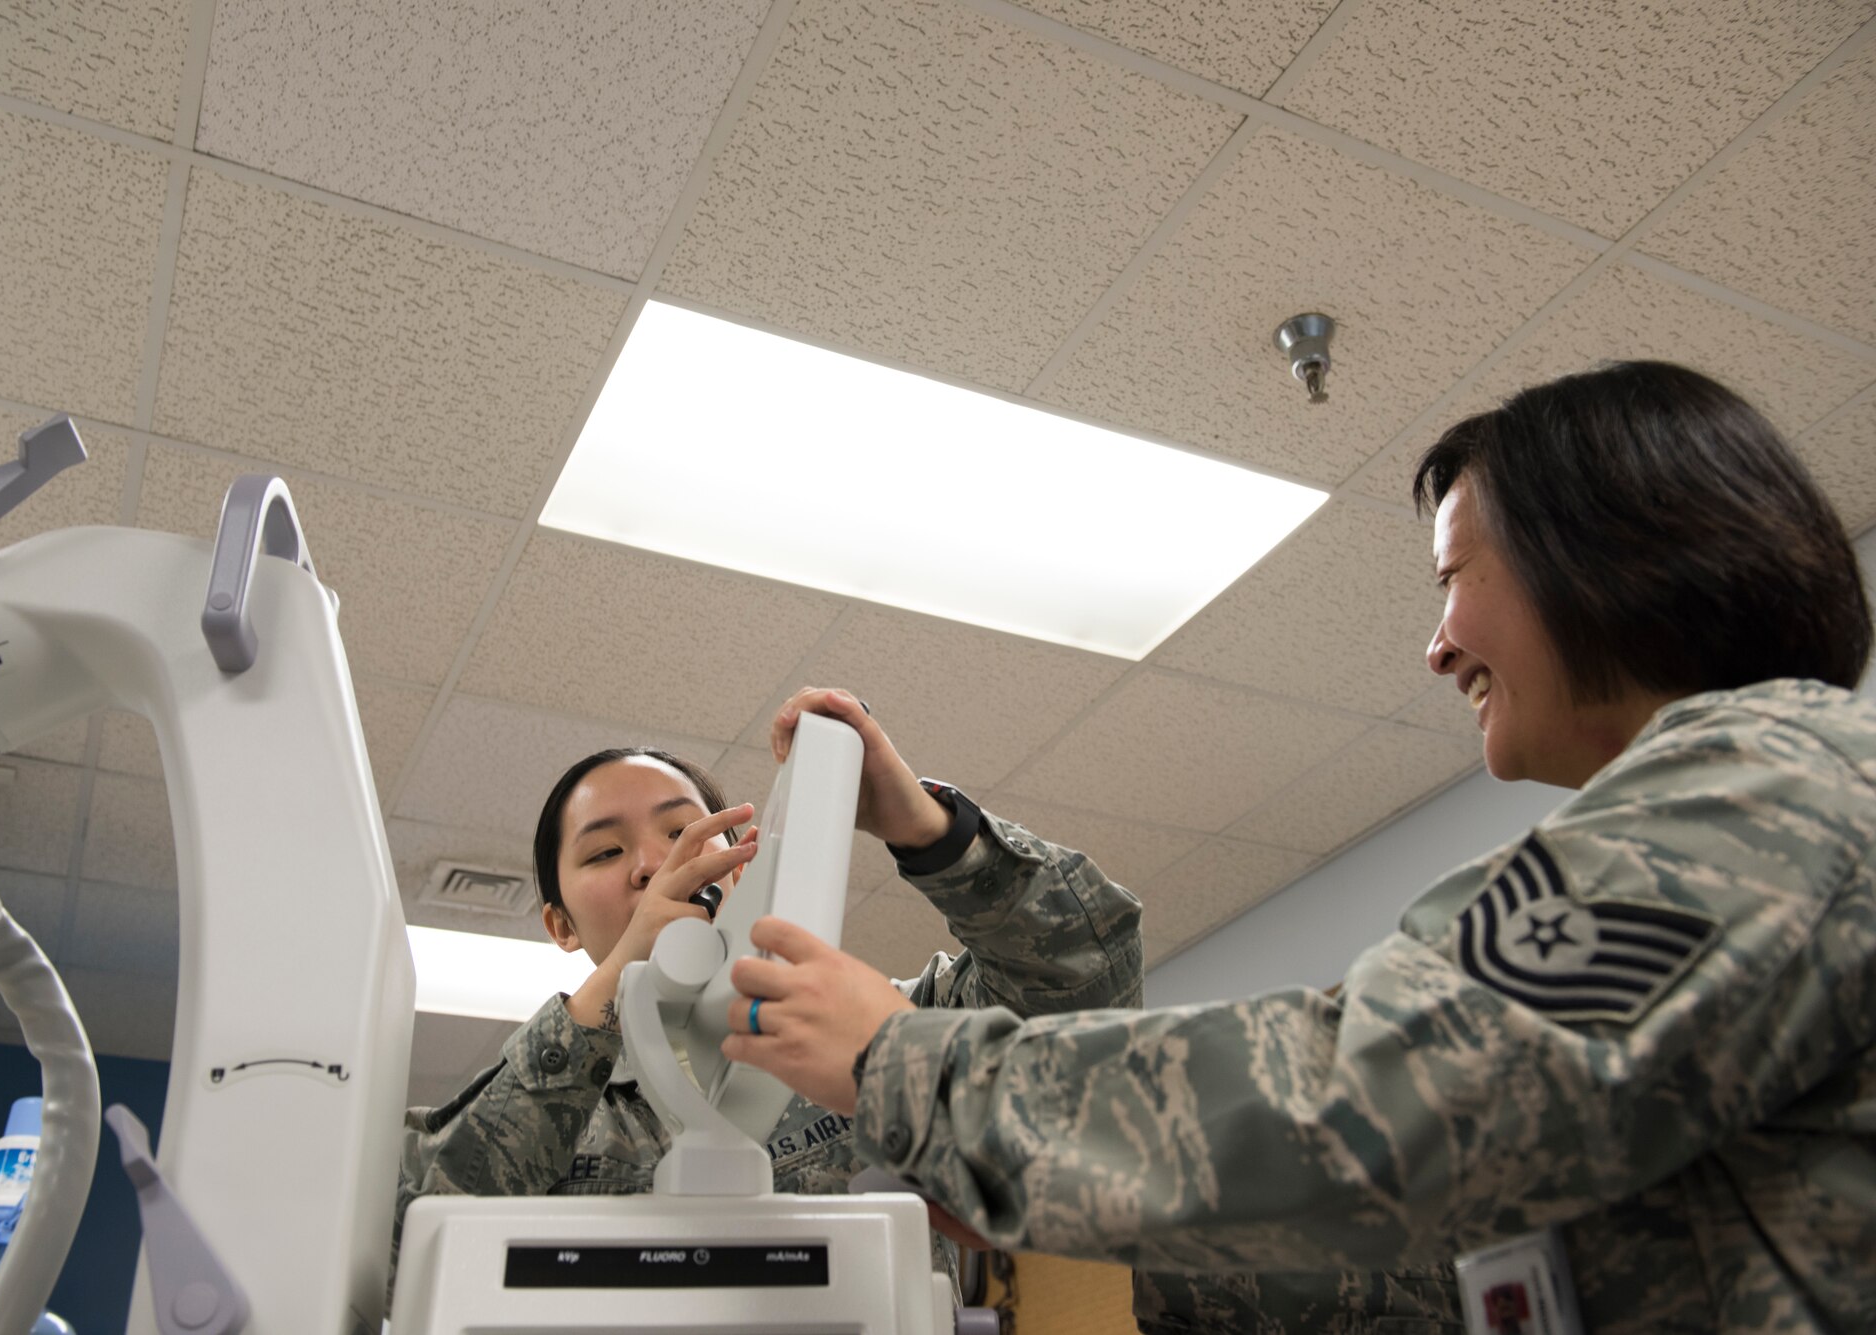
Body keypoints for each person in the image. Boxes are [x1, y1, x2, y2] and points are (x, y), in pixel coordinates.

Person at [721, 361, 1876, 1334]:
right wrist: (1053, 1199)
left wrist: (906, 1066)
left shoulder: (1777, 780)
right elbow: (1456, 1264)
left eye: (1453, 581)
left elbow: (1385, 1101)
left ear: (1609, 554)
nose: (1435, 648)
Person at [390, 708, 1145, 1301]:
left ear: (740, 862)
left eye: (684, 831)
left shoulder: (874, 1030)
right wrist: (619, 979)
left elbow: (1087, 987)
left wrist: (929, 830)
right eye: (604, 852)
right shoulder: (542, 1102)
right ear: (559, 922)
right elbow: (398, 1243)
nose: (654, 863)